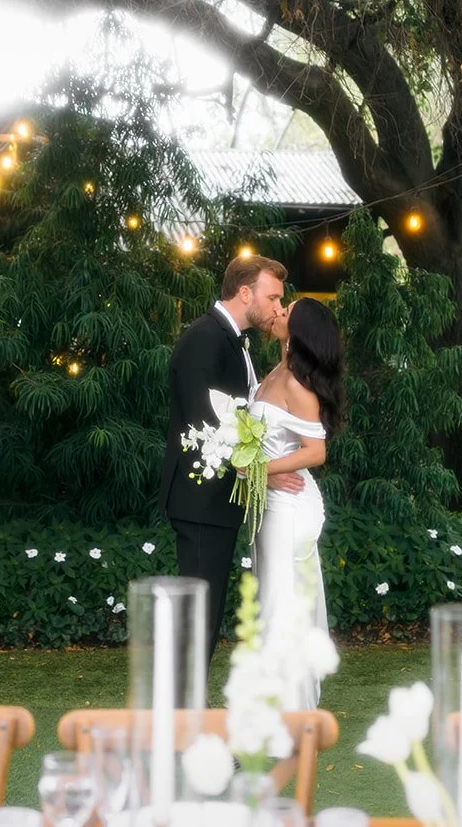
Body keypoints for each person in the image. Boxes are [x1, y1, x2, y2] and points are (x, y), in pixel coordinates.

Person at [161, 254, 287, 661]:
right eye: (272, 297)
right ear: (244, 292)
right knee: (199, 606)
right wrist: (258, 469)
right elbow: (203, 420)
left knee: (208, 606)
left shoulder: (233, 339)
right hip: (201, 496)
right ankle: (184, 704)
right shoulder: (205, 338)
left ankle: (190, 698)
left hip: (216, 499)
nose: (277, 308)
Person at [249, 296, 344, 707]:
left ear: (299, 330)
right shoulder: (276, 370)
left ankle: (279, 714)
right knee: (269, 600)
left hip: (287, 507)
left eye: (287, 311)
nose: (279, 311)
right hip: (268, 505)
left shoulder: (297, 386)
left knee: (278, 606)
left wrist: (258, 471)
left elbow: (316, 451)